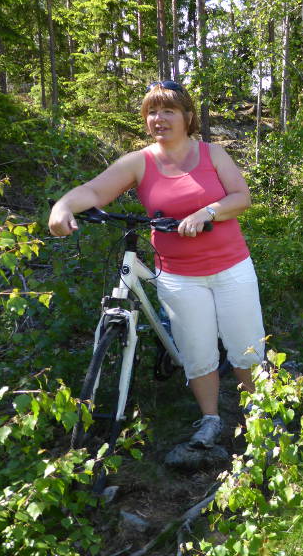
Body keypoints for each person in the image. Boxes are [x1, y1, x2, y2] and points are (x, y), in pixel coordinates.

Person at [48, 80, 265, 449]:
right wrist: (63, 207)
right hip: (178, 275)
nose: (158, 118)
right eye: (152, 111)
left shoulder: (213, 154)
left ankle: (261, 416)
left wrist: (208, 210)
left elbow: (241, 198)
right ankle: (210, 420)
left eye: (168, 111)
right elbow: (95, 190)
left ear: (187, 117)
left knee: (245, 346)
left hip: (231, 268)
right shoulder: (140, 162)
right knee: (197, 353)